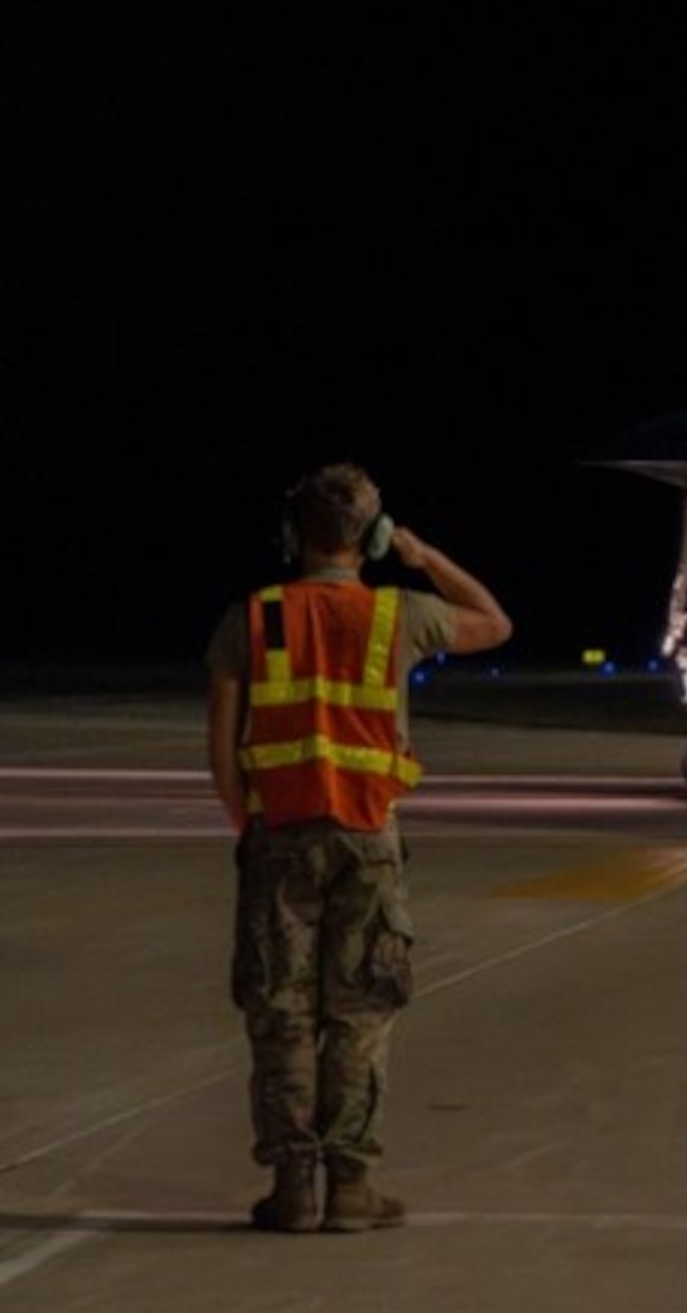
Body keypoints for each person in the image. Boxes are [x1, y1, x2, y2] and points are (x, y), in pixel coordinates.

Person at [204, 462, 512, 1234]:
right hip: (369, 840)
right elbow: (494, 622)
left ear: (290, 533)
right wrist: (420, 553)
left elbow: (220, 745)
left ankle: (294, 1189)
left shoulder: (253, 617)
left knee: (281, 1012)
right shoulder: (397, 615)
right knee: (361, 1012)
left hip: (280, 834)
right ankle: (350, 1186)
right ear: (368, 537)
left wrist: (250, 825)